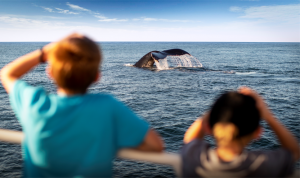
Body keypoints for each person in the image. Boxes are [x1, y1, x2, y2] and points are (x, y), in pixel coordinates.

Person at [0, 33, 164, 177]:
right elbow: (156, 145)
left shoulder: (35, 103)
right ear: (97, 77)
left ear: (49, 73)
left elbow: (7, 73)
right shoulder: (107, 106)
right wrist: (109, 141)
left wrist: (45, 53)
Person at [181, 87, 299, 177]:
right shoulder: (263, 165)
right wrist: (268, 116)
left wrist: (219, 109)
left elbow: (190, 139)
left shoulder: (195, 160)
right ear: (258, 133)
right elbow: (294, 152)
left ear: (208, 128)